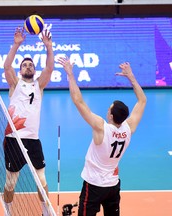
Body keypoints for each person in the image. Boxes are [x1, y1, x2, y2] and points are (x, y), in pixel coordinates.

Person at [58, 58, 147, 216]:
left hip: (93, 186)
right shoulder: (129, 128)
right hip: (113, 186)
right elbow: (142, 101)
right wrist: (131, 77)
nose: (107, 110)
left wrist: (70, 75)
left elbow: (78, 101)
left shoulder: (101, 127)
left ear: (111, 116)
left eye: (109, 109)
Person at [3, 27, 54, 216]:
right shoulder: (15, 84)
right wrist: (16, 45)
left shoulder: (39, 85)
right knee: (11, 182)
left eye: (30, 65)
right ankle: (8, 211)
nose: (28, 67)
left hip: (33, 140)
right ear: (20, 69)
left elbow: (49, 68)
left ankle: (46, 212)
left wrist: (49, 47)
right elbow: (7, 67)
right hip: (14, 139)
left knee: (42, 180)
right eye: (24, 65)